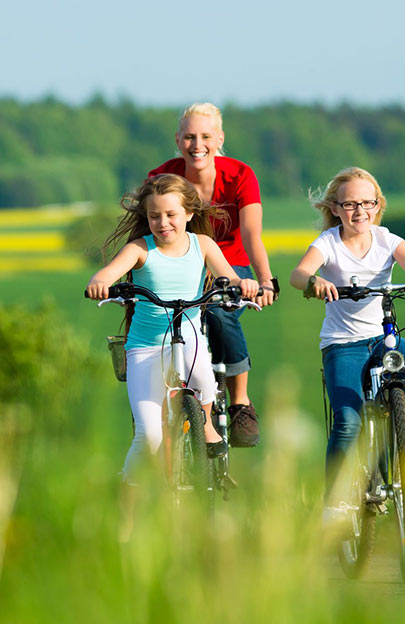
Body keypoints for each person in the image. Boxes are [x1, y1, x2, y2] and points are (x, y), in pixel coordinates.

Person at [287, 167, 405, 520]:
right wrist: (313, 282)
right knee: (348, 420)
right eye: (350, 204)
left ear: (378, 206)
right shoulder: (328, 243)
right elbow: (298, 274)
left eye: (367, 203)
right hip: (343, 345)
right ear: (335, 208)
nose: (359, 211)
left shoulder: (387, 240)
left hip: (383, 338)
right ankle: (333, 500)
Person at [85, 174, 260, 483]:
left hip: (189, 336)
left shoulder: (202, 244)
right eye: (154, 216)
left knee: (205, 377)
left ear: (189, 214)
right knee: (148, 437)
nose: (163, 222)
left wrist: (242, 283)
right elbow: (109, 272)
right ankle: (127, 505)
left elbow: (229, 277)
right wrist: (100, 283)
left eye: (171, 214)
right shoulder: (140, 249)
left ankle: (205, 424)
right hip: (146, 347)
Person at [147, 103, 276, 448]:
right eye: (189, 137)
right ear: (178, 140)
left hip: (231, 269)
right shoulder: (162, 177)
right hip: (177, 265)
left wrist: (265, 280)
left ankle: (240, 403)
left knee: (220, 314)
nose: (197, 144)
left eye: (205, 136)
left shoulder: (240, 175)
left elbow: (251, 235)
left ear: (219, 139)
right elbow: (143, 229)